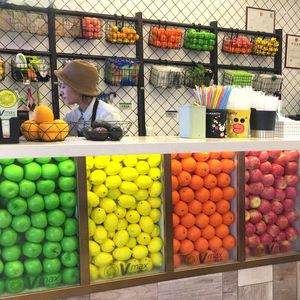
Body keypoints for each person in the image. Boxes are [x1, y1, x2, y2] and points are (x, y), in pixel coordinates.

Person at [54, 59, 121, 135]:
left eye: (63, 86)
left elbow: (119, 145)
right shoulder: (72, 116)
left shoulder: (108, 115)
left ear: (78, 88)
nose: (60, 92)